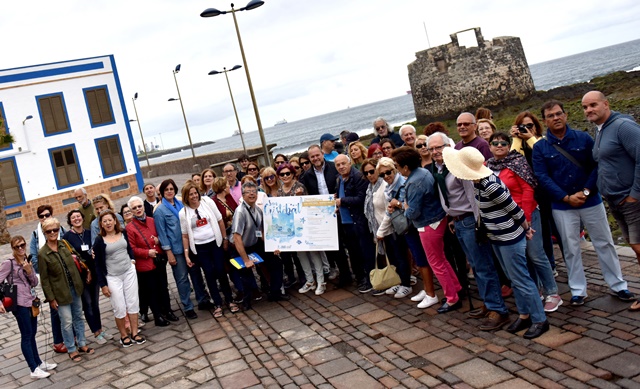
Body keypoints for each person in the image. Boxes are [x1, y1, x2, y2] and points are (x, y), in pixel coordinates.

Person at [532, 100, 634, 305]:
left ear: (566, 115)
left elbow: (596, 166)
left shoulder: (583, 138)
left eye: (559, 113)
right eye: (550, 116)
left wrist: (586, 191)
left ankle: (618, 285)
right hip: (562, 205)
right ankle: (578, 290)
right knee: (570, 248)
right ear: (544, 121)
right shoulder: (541, 147)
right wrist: (565, 197)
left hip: (591, 201)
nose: (556, 118)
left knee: (605, 243)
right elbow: (542, 176)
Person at [443, 146, 550, 339]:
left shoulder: (490, 184)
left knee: (521, 278)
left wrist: (527, 228)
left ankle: (539, 319)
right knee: (512, 276)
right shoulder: (477, 182)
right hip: (497, 235)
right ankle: (525, 314)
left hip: (509, 236)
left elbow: (513, 208)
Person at [427, 132, 508, 330]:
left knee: (484, 266)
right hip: (458, 221)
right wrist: (452, 218)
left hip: (471, 221)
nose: (435, 152)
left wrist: (480, 222)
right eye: (432, 149)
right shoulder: (438, 168)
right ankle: (489, 304)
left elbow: (473, 197)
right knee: (475, 266)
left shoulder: (457, 165)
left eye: (439, 147)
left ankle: (498, 309)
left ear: (449, 145)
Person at [486, 133, 562, 312]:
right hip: (505, 219)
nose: (499, 146)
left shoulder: (517, 163)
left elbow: (528, 189)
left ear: (508, 145)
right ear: (489, 146)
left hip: (526, 213)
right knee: (521, 257)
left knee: (536, 254)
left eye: (503, 143)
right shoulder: (487, 166)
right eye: (495, 143)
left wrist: (526, 219)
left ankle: (553, 293)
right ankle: (535, 290)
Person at [582, 91, 640, 311]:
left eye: (593, 105)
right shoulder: (601, 130)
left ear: (606, 104)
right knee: (636, 248)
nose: (589, 110)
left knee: (638, 245)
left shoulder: (623, 127)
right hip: (616, 201)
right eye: (585, 107)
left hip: (631, 199)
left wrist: (635, 193)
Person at [391, 146, 462, 313]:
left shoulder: (415, 182)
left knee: (436, 262)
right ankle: (456, 288)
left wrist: (402, 205)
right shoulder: (422, 173)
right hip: (436, 219)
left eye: (397, 165)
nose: (396, 168)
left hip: (428, 224)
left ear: (406, 167)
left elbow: (412, 212)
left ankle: (452, 298)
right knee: (441, 259)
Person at [0, 236, 57, 379]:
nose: (20, 249)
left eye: (22, 245)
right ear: (12, 249)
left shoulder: (27, 260)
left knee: (32, 333)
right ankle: (33, 369)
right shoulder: (9, 264)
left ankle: (38, 362)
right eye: (16, 247)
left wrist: (29, 270)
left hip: (31, 301)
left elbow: (34, 282)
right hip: (18, 303)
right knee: (26, 335)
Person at [510, 111, 559, 275]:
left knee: (549, 230)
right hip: (529, 194)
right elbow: (512, 160)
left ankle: (551, 265)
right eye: (522, 126)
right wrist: (517, 139)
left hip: (545, 192)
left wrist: (529, 136)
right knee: (538, 232)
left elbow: (543, 153)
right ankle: (544, 266)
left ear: (536, 126)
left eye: (529, 125)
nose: (526, 129)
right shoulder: (519, 144)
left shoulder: (541, 141)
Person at [39, 217, 94, 361]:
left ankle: (82, 343)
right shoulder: (43, 254)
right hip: (60, 292)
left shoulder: (64, 244)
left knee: (78, 317)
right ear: (44, 232)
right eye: (49, 231)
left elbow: (77, 257)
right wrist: (51, 298)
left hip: (75, 287)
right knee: (67, 321)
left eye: (55, 230)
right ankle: (71, 348)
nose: (52, 233)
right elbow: (44, 279)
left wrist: (86, 269)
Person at [180, 181, 238, 317]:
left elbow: (219, 221)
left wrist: (224, 239)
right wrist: (187, 254)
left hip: (215, 243)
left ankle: (229, 300)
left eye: (195, 193)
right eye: (190, 194)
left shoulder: (207, 202)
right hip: (200, 248)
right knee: (209, 273)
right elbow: (185, 235)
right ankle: (217, 303)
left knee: (221, 270)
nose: (194, 196)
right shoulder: (183, 213)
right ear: (186, 197)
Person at [154, 179, 208, 319]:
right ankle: (188, 306)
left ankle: (202, 299)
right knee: (182, 279)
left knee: (196, 274)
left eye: (171, 189)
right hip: (176, 249)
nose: (169, 191)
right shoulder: (159, 211)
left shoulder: (182, 204)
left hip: (190, 245)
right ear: (162, 193)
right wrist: (168, 253)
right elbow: (162, 233)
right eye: (166, 190)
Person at [231, 181, 289, 304]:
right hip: (241, 247)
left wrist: (272, 247)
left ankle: (275, 293)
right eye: (248, 192)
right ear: (243, 195)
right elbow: (237, 237)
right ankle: (247, 300)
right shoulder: (240, 212)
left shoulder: (257, 209)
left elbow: (262, 232)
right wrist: (246, 260)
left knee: (276, 262)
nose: (252, 194)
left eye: (254, 192)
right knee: (245, 272)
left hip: (255, 244)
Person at [93, 210, 145, 348]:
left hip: (128, 272)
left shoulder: (123, 232)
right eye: (104, 221)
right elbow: (97, 264)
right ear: (101, 224)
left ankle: (134, 332)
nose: (108, 223)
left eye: (110, 220)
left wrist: (132, 259)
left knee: (133, 302)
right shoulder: (99, 241)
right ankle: (123, 335)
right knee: (119, 307)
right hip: (112, 276)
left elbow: (129, 248)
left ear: (115, 221)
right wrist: (103, 285)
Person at [126, 196, 177, 327]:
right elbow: (131, 248)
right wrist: (146, 253)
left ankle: (168, 310)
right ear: (131, 211)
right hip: (145, 264)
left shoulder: (152, 220)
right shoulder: (130, 228)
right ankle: (157, 315)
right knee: (152, 290)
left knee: (163, 287)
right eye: (134, 208)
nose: (138, 209)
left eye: (139, 206)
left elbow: (162, 234)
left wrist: (159, 241)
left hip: (158, 260)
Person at [276, 163, 326, 295]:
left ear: (293, 174)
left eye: (288, 173)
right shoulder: (280, 191)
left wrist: (300, 197)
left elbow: (308, 205)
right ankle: (310, 280)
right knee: (301, 254)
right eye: (282, 174)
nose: (285, 176)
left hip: (305, 224)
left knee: (313, 252)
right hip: (292, 227)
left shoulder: (299, 187)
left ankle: (321, 281)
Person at [368, 158, 415, 299]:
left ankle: (406, 284)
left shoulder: (400, 184)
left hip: (401, 225)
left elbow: (394, 209)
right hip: (392, 225)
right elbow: (389, 209)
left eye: (388, 172)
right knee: (395, 255)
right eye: (382, 174)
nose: (386, 176)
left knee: (402, 255)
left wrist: (381, 230)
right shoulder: (387, 186)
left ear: (394, 169)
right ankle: (400, 281)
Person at [63, 210, 112, 344]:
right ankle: (96, 332)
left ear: (82, 218)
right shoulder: (67, 237)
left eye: (78, 216)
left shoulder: (90, 233)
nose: (76, 219)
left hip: (94, 272)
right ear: (70, 221)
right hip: (80, 276)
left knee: (95, 303)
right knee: (88, 304)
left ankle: (101, 330)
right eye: (73, 217)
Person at [300, 144, 346, 284]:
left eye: (317, 155)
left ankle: (349, 274)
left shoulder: (334, 167)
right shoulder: (307, 176)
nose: (315, 158)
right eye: (312, 156)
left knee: (345, 245)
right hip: (322, 217)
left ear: (322, 154)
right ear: (309, 158)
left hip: (340, 210)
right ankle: (340, 274)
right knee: (331, 247)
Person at [335, 154, 375, 292]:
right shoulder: (339, 179)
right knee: (354, 253)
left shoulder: (358, 177)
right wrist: (337, 205)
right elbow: (340, 197)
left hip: (358, 221)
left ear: (349, 163)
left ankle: (371, 280)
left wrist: (342, 201)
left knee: (366, 252)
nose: (341, 167)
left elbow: (361, 199)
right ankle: (361, 278)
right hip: (346, 222)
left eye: (343, 163)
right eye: (338, 165)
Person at [29, 205, 66, 354]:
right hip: (50, 277)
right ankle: (58, 341)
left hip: (64, 274)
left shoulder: (60, 229)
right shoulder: (36, 234)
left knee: (70, 306)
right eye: (41, 216)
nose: (44, 218)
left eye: (47, 215)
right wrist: (47, 270)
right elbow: (34, 256)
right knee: (55, 308)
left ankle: (72, 336)